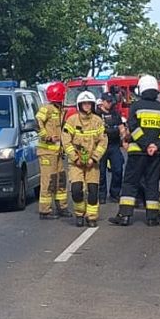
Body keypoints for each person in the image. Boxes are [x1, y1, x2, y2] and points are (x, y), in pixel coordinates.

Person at [110, 75, 160, 227]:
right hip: (156, 154)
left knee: (130, 183)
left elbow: (134, 128)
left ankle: (124, 215)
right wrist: (156, 146)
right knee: (152, 183)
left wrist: (146, 145)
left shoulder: (136, 107)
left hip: (137, 152)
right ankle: (152, 218)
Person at [62, 91, 107, 228]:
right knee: (76, 190)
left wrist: (94, 158)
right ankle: (80, 214)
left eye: (89, 104)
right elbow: (66, 141)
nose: (87, 106)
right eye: (84, 103)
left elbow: (103, 142)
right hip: (76, 164)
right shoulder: (72, 120)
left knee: (93, 191)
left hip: (92, 164)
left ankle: (91, 217)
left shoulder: (97, 121)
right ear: (79, 105)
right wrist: (75, 158)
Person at [36, 82, 70, 219]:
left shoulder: (60, 110)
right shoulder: (47, 109)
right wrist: (47, 137)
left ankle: (62, 207)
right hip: (47, 153)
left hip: (58, 152)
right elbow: (37, 122)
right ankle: (45, 210)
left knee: (61, 179)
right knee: (48, 181)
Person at [97, 93, 125, 202]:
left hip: (114, 145)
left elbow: (121, 127)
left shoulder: (115, 114)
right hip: (101, 145)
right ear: (102, 101)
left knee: (118, 169)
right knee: (101, 172)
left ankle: (115, 194)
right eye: (108, 101)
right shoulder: (97, 114)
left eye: (111, 101)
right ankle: (101, 195)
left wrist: (124, 137)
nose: (110, 103)